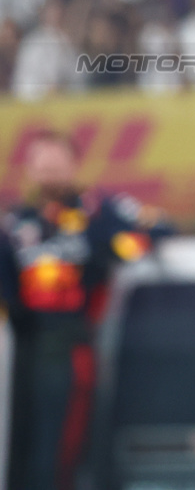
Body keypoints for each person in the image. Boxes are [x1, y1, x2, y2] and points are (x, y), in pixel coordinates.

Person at [1, 130, 172, 490]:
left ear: (73, 165)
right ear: (29, 169)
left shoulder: (99, 210)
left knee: (64, 447)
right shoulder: (17, 223)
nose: (48, 173)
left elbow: (159, 227)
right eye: (41, 165)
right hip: (23, 351)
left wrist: (114, 249)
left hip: (73, 347)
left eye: (55, 164)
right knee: (21, 446)